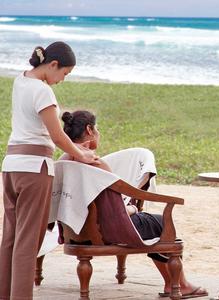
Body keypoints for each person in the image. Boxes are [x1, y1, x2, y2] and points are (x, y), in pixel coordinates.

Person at [60, 110, 208, 299]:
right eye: (97, 128)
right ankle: (178, 284)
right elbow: (113, 213)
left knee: (151, 222)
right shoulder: (96, 164)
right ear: (89, 130)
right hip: (104, 232)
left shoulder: (63, 160)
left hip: (76, 232)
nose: (99, 132)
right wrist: (131, 208)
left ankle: (175, 282)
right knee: (161, 223)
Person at [0, 42, 99, 300]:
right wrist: (82, 154)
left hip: (11, 167)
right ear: (53, 65)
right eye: (64, 74)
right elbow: (56, 136)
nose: (62, 80)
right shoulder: (42, 91)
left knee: (10, 237)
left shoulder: (20, 81)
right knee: (28, 241)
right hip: (34, 170)